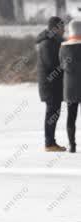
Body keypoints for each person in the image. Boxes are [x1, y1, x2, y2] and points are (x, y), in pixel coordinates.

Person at [36, 16, 66, 152]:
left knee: (54, 113)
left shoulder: (54, 41)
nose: (64, 30)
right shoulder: (47, 43)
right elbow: (51, 64)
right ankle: (49, 143)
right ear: (55, 28)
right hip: (50, 86)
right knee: (52, 114)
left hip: (54, 85)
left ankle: (51, 142)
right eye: (62, 27)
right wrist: (66, 65)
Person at [59, 19, 81, 153]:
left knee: (71, 117)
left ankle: (72, 144)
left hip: (70, 87)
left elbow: (61, 66)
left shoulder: (63, 47)